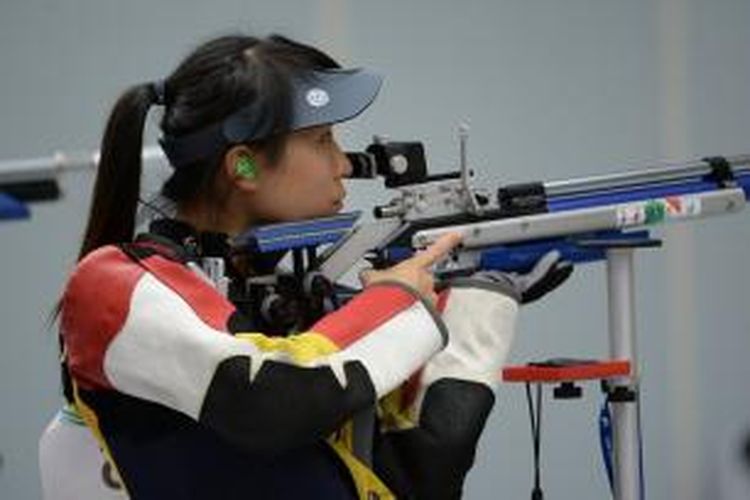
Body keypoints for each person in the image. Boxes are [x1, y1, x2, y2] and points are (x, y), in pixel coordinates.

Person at [51, 34, 571, 499]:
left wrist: (472, 305)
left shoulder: (269, 290)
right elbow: (274, 398)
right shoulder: (113, 285)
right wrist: (396, 302)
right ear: (244, 166)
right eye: (322, 140)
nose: (343, 163)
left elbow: (418, 475)